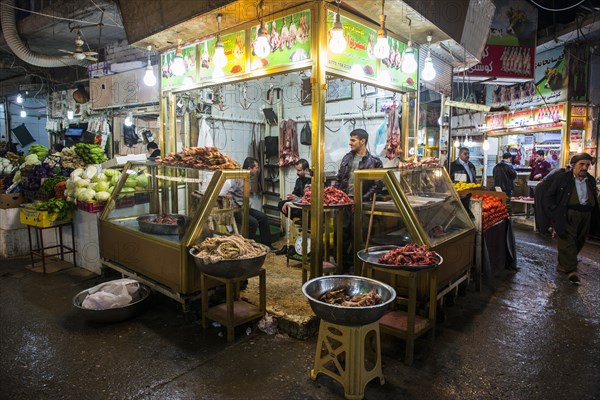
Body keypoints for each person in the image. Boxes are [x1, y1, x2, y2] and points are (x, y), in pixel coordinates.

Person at [539, 153, 599, 284]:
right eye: (581, 164)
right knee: (567, 241)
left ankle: (563, 263)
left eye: (587, 165)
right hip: (568, 214)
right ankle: (571, 270)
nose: (584, 167)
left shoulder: (590, 180)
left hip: (585, 214)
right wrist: (554, 213)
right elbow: (549, 196)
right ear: (573, 165)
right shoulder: (563, 179)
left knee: (579, 240)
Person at [334, 129, 383, 272]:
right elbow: (339, 179)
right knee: (340, 238)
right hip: (343, 204)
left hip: (361, 206)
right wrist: (336, 196)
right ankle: (340, 269)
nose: (350, 143)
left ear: (363, 141)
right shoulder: (346, 158)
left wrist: (361, 200)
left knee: (358, 239)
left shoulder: (375, 162)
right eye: (350, 140)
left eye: (353, 140)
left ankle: (356, 270)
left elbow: (378, 185)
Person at [220, 157, 274, 250]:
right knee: (253, 222)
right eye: (256, 168)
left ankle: (267, 245)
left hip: (245, 208)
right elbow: (228, 192)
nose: (258, 170)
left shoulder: (248, 177)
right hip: (237, 209)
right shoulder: (237, 178)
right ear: (249, 168)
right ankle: (247, 247)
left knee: (263, 217)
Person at [274, 159, 311, 255]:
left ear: (306, 170)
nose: (297, 172)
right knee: (281, 204)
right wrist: (291, 199)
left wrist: (297, 198)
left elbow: (309, 198)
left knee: (303, 208)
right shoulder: (299, 180)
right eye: (296, 170)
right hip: (299, 206)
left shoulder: (312, 180)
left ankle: (305, 220)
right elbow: (295, 194)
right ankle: (298, 218)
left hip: (309, 208)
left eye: (299, 170)